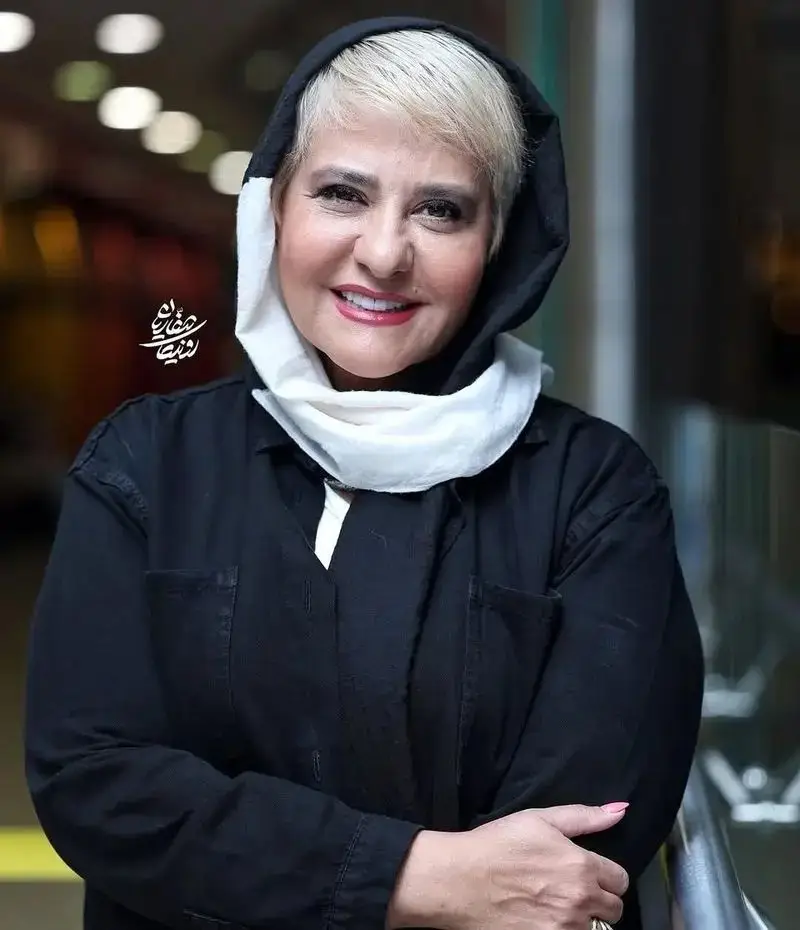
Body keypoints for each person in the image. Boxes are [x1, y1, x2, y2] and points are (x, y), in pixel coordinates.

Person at [24, 16, 704, 930]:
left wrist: (258, 861)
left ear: (501, 245)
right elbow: (98, 781)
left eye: (442, 210)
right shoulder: (149, 465)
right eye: (342, 194)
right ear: (274, 209)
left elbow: (574, 851)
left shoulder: (594, 492)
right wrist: (415, 878)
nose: (384, 253)